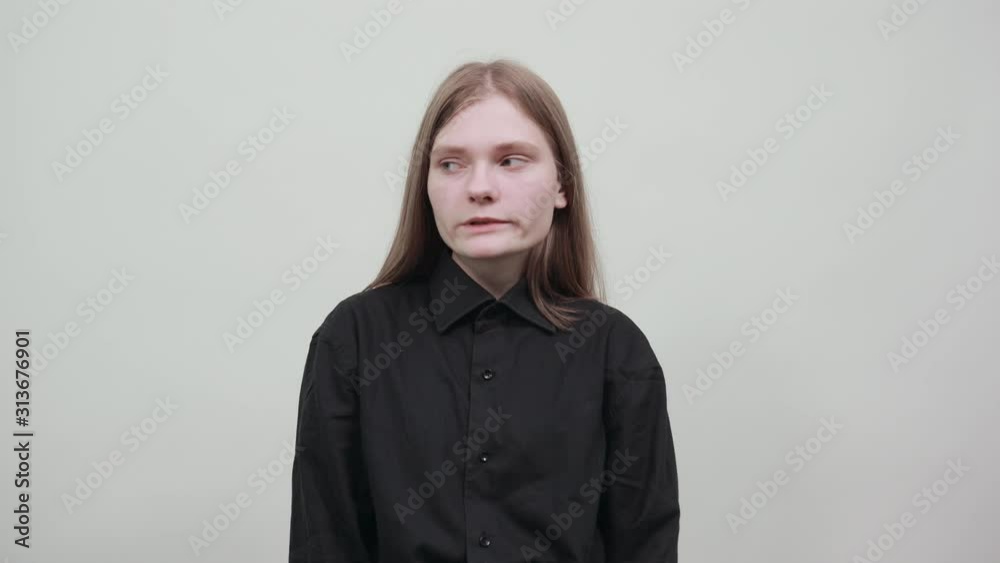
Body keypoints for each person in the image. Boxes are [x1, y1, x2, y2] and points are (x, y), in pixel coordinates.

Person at [288, 58, 680, 562]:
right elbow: (325, 543)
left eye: (511, 160)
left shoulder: (616, 351)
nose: (479, 188)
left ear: (562, 186)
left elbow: (645, 546)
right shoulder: (354, 338)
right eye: (451, 164)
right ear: (425, 186)